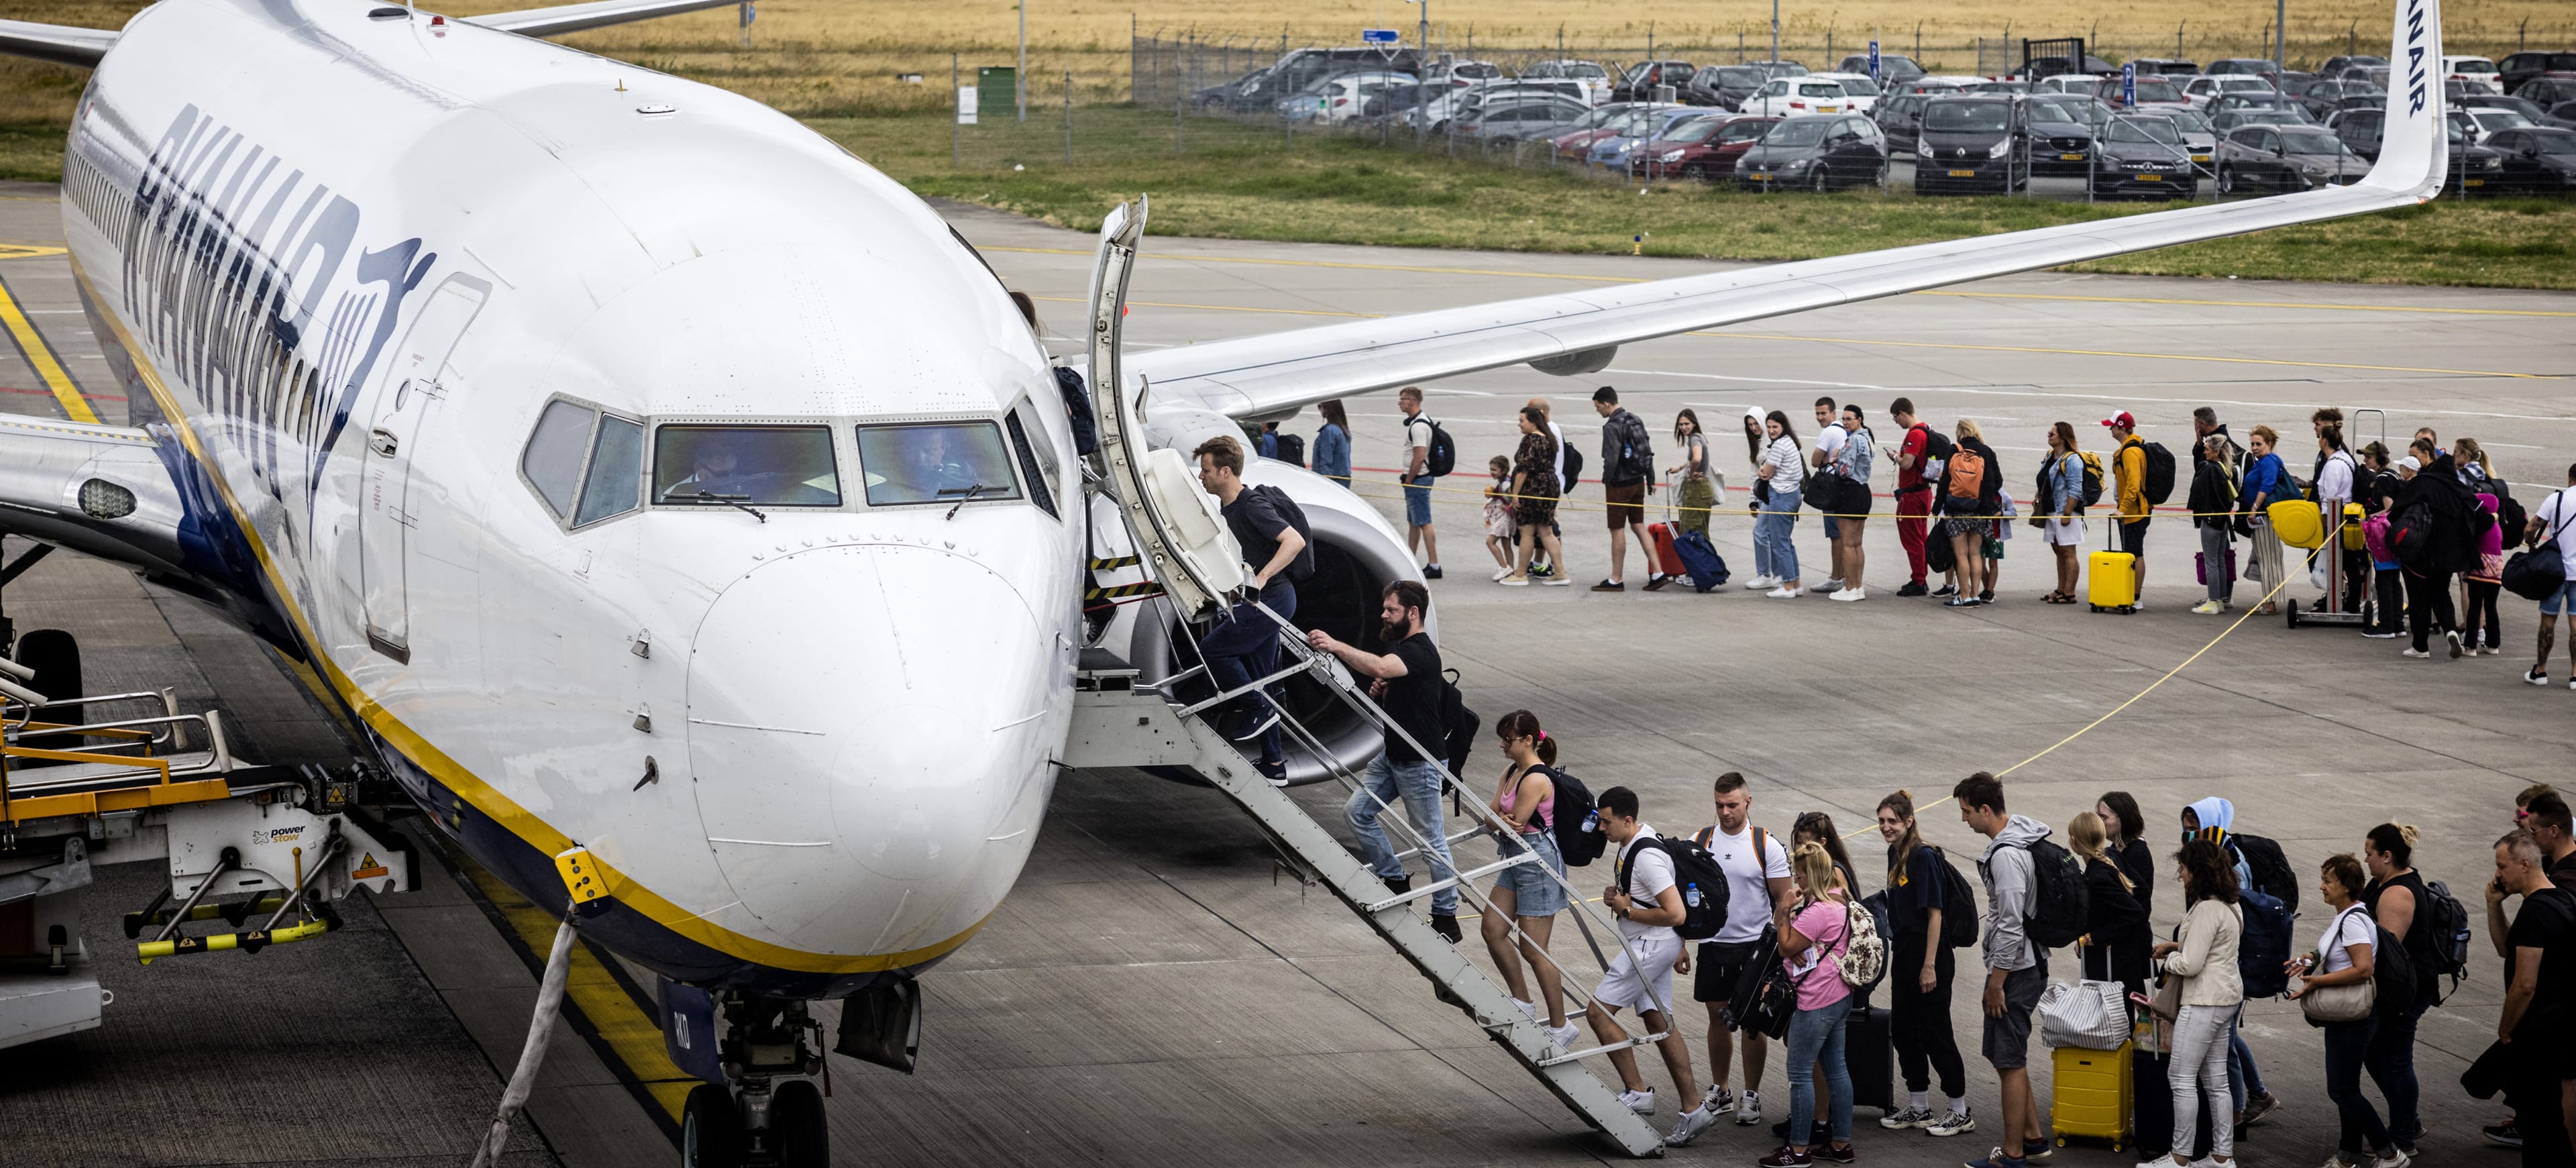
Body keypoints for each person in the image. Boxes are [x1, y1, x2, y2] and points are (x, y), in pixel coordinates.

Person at [1308, 582, 1461, 942]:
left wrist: (1335, 646)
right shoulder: (1406, 651)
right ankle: (1392, 877)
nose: (1384, 615)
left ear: (1413, 613)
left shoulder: (1421, 651)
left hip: (1420, 762)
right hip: (1393, 756)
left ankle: (1446, 914)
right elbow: (1406, 699)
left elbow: (1379, 664)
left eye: (1391, 610)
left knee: (1431, 841)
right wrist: (1385, 695)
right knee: (1356, 812)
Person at [1587, 786, 1723, 1147]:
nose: (1602, 828)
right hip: (1655, 942)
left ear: (1627, 820)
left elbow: (1675, 911)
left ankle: (1637, 1091)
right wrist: (1619, 899)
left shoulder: (1646, 856)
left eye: (1607, 821)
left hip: (1649, 945)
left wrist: (1627, 911)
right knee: (1659, 1022)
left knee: (1598, 1014)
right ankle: (1693, 1110)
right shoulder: (1635, 843)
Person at [1193, 436, 1306, 782]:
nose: (1201, 476)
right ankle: (1275, 765)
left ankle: (1258, 710)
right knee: (1261, 679)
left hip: (1272, 599)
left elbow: (1294, 541)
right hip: (1264, 599)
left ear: (1226, 472)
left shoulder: (1250, 504)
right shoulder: (1229, 509)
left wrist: (1262, 576)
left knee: (1214, 650)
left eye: (1207, 470)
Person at [2287, 853, 2407, 1168]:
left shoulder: (2353, 920)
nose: (2322, 887)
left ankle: (2390, 1153)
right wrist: (2310, 957)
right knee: (2347, 1090)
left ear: (2346, 886)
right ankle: (2348, 1157)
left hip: (2353, 1019)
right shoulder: (2349, 916)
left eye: (2328, 881)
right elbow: (2337, 954)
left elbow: (2363, 968)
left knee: (2342, 1091)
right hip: (2347, 1018)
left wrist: (2318, 982)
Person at [1691, 772, 1796, 1128]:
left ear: (1748, 802)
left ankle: (1751, 1093)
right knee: (1717, 1022)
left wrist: (1783, 947)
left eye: (1732, 805)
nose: (1725, 812)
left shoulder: (1765, 844)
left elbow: (1786, 900)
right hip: (1713, 945)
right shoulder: (1700, 841)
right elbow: (1685, 898)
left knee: (1754, 1025)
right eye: (1719, 805)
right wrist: (1680, 942)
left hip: (1755, 948)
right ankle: (1721, 1090)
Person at [1956, 772, 2050, 1168]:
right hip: (2024, 965)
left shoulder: (2007, 856)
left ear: (1986, 810)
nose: (1964, 820)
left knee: (2009, 1060)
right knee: (2008, 1056)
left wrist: (1996, 983)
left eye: (1966, 812)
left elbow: (2011, 924)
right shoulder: (2019, 839)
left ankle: (2012, 1156)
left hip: (2017, 970)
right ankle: (2032, 1141)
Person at [2141, 839, 2246, 1168]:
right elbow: (2212, 948)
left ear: (2198, 872)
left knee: (2181, 1078)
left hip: (2203, 1001)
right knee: (2217, 1082)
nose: (2181, 875)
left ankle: (2180, 1156)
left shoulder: (2205, 909)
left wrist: (2169, 960)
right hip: (2227, 997)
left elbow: (2191, 965)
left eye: (2184, 869)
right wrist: (2177, 946)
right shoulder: (2231, 906)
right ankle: (2221, 1156)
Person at [1876, 791, 1972, 1136]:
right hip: (1904, 954)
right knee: (1903, 1029)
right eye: (1883, 821)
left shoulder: (1923, 857)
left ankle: (1959, 1109)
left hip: (1929, 956)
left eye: (1893, 821)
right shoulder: (1895, 853)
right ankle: (1919, 1105)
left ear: (1908, 821)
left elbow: (1935, 915)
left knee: (1935, 1032)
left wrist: (1929, 965)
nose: (1887, 827)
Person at [1758, 841, 1859, 1168]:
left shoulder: (1817, 911)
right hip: (1840, 996)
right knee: (1837, 1070)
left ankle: (1798, 1150)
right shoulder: (1840, 902)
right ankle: (1841, 1144)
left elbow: (1785, 946)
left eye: (1798, 875)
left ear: (1810, 874)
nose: (1795, 882)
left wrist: (1785, 908)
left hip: (1815, 1002)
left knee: (1800, 1075)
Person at [1482, 711, 1576, 1050]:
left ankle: (1561, 1025)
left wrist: (1502, 819)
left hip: (1537, 860)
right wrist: (1502, 819)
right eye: (1503, 738)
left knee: (1534, 950)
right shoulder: (1512, 771)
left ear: (1527, 741)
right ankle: (1522, 1000)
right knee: (1492, 928)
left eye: (1508, 739)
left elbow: (1513, 821)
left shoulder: (1536, 778)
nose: (1503, 745)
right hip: (1515, 855)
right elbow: (1492, 817)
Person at [2488, 829, 2576, 1166]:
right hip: (2563, 1027)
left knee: (2541, 1124)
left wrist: (2506, 1030)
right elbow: (2504, 948)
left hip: (2541, 1034)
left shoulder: (2535, 912)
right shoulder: (2564, 899)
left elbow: (2524, 984)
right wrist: (2493, 904)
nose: (2497, 874)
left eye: (2501, 866)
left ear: (2524, 864)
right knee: (2552, 1120)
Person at [2362, 823, 2432, 1157]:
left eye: (2370, 854)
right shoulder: (2381, 882)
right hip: (2396, 989)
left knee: (2396, 1060)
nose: (2366, 860)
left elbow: (2386, 954)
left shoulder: (2397, 894)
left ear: (2387, 857)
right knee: (2376, 1053)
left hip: (2405, 992)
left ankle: (2404, 1136)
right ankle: (2409, 1118)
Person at [2392, 437, 2481, 659]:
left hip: (2420, 552)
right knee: (2441, 593)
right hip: (2447, 555)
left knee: (2419, 596)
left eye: (2414, 455)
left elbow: (2395, 512)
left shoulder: (2421, 484)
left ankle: (2420, 646)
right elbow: (2477, 515)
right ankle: (2451, 631)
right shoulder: (2456, 487)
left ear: (2427, 456)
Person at [2071, 810, 2150, 1002]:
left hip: (2113, 964)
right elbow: (2142, 891)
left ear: (2074, 843)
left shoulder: (2097, 877)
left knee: (2113, 1023)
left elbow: (2134, 913)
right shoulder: (2112, 855)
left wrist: (2097, 936)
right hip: (2128, 957)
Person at [1593, 386, 1662, 592]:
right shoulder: (1635, 419)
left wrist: (1607, 480)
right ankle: (1658, 572)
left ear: (1607, 404)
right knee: (1639, 525)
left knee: (1617, 530)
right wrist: (1650, 480)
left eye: (1598, 407)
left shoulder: (1611, 427)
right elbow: (1647, 451)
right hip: (1638, 481)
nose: (1598, 411)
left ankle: (1616, 578)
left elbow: (1611, 459)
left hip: (1620, 485)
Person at [1501, 408, 1570, 588]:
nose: (1519, 423)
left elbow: (1524, 469)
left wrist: (1515, 493)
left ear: (1533, 422)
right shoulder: (1549, 438)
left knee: (1527, 531)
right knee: (1546, 531)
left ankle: (1521, 573)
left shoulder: (1531, 440)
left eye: (1522, 420)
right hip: (1550, 485)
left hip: (1533, 488)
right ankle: (1560, 572)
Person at [1943, 421, 2002, 608]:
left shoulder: (1955, 449)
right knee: (1975, 553)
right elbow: (1998, 482)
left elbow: (1945, 480)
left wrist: (1938, 507)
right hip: (1981, 510)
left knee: (1961, 555)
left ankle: (1964, 595)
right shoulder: (1986, 451)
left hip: (1956, 509)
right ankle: (1976, 595)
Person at [1819, 403, 1875, 601]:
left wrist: (1835, 461)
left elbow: (1845, 471)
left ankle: (1851, 588)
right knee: (1857, 544)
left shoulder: (1853, 441)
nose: (1845, 422)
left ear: (1859, 419)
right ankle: (1857, 586)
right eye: (1843, 419)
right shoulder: (1868, 438)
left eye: (1849, 419)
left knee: (1848, 544)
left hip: (1850, 491)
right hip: (1863, 491)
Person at [2239, 425, 2296, 618]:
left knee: (2269, 558)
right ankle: (2269, 599)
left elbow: (2268, 485)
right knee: (2267, 557)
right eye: (2253, 444)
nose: (2254, 448)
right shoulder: (2264, 461)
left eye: (2259, 444)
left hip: (2265, 516)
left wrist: (2254, 509)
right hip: (2263, 516)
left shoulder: (2269, 461)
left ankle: (2270, 602)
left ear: (2269, 444)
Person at [2528, 464, 2576, 687]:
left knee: (2548, 621)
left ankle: (2541, 671)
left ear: (2570, 478)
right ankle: (2575, 674)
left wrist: (2531, 543)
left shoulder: (2556, 499)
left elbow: (2532, 527)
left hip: (2555, 571)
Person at [1753, 411, 1807, 598]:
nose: (1771, 430)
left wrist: (1763, 471)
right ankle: (1795, 582)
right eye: (1769, 427)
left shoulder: (1779, 447)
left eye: (1775, 427)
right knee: (1786, 541)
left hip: (1781, 496)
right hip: (1792, 495)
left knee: (1779, 542)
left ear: (1783, 427)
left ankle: (1788, 586)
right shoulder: (1791, 442)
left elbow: (1765, 472)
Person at [2317, 425, 2369, 617]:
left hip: (2336, 516)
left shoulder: (2333, 466)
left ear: (2324, 441)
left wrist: (2325, 521)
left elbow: (2330, 497)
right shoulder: (2346, 459)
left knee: (2344, 561)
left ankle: (2348, 602)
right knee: (2350, 561)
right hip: (2348, 514)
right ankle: (2351, 599)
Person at [1890, 397, 1937, 596]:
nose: (1896, 422)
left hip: (1913, 495)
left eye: (1895, 418)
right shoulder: (1926, 429)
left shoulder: (1915, 435)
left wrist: (1894, 457)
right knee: (1920, 537)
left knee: (1912, 539)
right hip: (1922, 492)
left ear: (1902, 414)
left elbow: (1907, 463)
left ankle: (1919, 580)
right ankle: (1921, 577)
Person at [2191, 432, 2241, 615]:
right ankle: (2220, 598)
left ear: (2216, 452)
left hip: (2211, 520)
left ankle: (2213, 601)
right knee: (2219, 560)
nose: (2205, 453)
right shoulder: (2228, 469)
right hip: (2223, 520)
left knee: (2211, 562)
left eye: (2207, 449)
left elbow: (2198, 491)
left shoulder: (2211, 469)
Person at [1396, 387, 1442, 580]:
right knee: (1414, 522)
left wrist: (1409, 478)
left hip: (1418, 479)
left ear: (1413, 401)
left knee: (1424, 521)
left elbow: (1419, 455)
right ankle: (1411, 558)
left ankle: (1434, 565)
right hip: (1418, 479)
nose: (1400, 402)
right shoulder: (1420, 421)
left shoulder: (1418, 426)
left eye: (1403, 399)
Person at [2107, 411, 2151, 604]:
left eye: (2113, 426)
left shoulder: (2131, 452)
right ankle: (2130, 593)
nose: (2110, 429)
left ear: (2122, 428)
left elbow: (2133, 484)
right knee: (2130, 552)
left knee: (2135, 552)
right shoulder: (2126, 450)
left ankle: (2136, 597)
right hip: (2131, 511)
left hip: (2135, 512)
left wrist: (2122, 509)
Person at [2039, 422, 2086, 604]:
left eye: (2053, 433)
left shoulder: (2072, 459)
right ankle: (2061, 588)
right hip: (2051, 509)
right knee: (2058, 550)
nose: (2049, 434)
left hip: (2066, 511)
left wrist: (2067, 512)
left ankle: (2070, 592)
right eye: (2049, 432)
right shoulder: (2050, 456)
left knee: (2068, 551)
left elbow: (2076, 488)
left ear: (2063, 437)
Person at [2363, 445, 2405, 637]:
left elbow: (2389, 509)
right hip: (2398, 534)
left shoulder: (2382, 479)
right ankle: (2398, 624)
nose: (2365, 460)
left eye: (2369, 457)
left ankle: (2386, 625)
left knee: (2384, 581)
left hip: (2384, 536)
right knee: (2394, 581)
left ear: (2379, 459)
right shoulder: (2394, 475)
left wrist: (2368, 518)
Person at [1526, 397, 1571, 580]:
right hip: (1554, 483)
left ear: (1541, 413)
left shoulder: (1546, 432)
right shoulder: (1552, 428)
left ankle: (1556, 566)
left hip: (1549, 487)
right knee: (1543, 527)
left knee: (1551, 528)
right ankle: (1538, 563)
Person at [1811, 397, 1849, 592]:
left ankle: (1836, 577)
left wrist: (1824, 458)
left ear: (1834, 414)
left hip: (1832, 487)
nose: (1820, 417)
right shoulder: (1842, 431)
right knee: (1843, 535)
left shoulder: (1829, 432)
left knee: (1836, 535)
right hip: (1844, 485)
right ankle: (1842, 575)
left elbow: (1815, 461)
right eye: (1817, 413)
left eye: (1823, 413)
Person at [2098, 792, 2157, 918]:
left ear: (2123, 819)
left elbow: (2137, 901)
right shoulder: (2115, 849)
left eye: (2104, 817)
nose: (2099, 822)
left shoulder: (2138, 854)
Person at [2467, 490, 2507, 656]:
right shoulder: (2497, 527)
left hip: (2481, 567)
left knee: (2475, 606)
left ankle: (2470, 646)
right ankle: (2493, 644)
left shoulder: (2482, 524)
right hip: (2497, 569)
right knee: (2491, 607)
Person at [1670, 408, 1719, 539]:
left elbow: (1697, 458)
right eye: (1681, 425)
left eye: (1687, 424)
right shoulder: (1700, 437)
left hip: (1697, 490)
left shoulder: (1694, 439)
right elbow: (1693, 460)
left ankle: (1703, 559)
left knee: (1694, 532)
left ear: (1694, 424)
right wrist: (1680, 468)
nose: (1684, 427)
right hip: (1703, 490)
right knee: (1700, 530)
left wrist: (1691, 473)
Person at [2527, 793, 2576, 891]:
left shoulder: (2567, 881)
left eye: (2533, 831)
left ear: (2553, 831)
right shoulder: (2550, 862)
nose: (2530, 837)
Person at [1481, 455, 1519, 580]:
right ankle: (1511, 569)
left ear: (1503, 470)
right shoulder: (1503, 482)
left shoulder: (1506, 484)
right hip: (1505, 517)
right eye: (1491, 469)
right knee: (1506, 544)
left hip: (1506, 518)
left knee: (1490, 542)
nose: (1492, 472)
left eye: (1494, 470)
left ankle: (1504, 567)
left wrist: (1508, 507)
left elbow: (1514, 497)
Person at [1312, 400, 1352, 485]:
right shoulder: (1343, 429)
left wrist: (1324, 482)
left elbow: (1326, 460)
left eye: (1320, 406)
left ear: (1327, 409)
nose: (1320, 410)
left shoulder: (1329, 431)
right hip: (1344, 477)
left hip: (1334, 479)